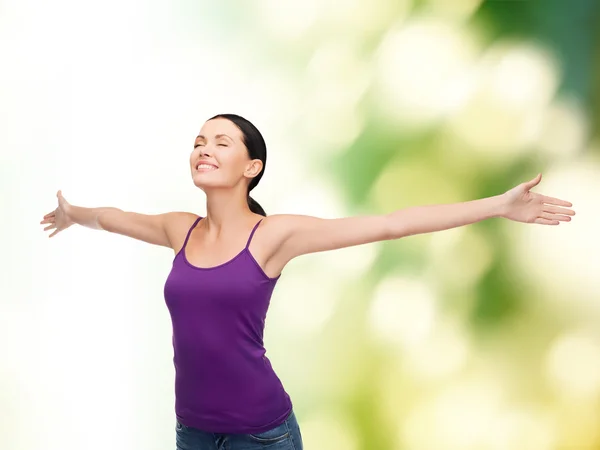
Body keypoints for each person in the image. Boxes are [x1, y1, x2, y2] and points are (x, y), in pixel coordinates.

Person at [40, 113, 576, 450]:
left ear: (252, 167)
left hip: (261, 433)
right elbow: (112, 217)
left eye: (221, 142)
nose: (204, 148)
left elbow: (391, 223)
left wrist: (499, 206)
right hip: (192, 432)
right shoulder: (181, 230)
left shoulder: (274, 236)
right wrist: (73, 213)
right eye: (199, 141)